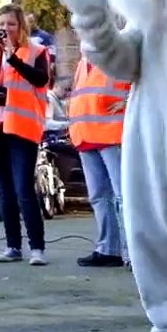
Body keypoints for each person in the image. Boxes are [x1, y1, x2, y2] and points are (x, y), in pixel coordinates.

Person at [0, 4, 51, 265]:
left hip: (21, 128)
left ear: (21, 27)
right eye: (1, 24)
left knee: (24, 188)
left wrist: (12, 56)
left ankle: (37, 248)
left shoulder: (35, 51)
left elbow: (40, 79)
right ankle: (13, 246)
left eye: (11, 24)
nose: (5, 29)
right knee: (5, 191)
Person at [68, 56, 129, 268]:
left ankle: (132, 252)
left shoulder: (118, 54)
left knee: (124, 197)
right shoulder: (83, 62)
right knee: (99, 197)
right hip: (86, 135)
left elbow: (147, 83)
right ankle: (109, 250)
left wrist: (129, 101)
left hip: (113, 134)